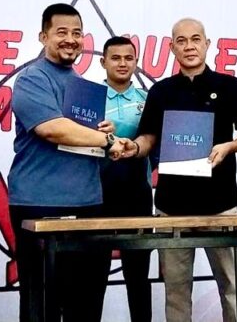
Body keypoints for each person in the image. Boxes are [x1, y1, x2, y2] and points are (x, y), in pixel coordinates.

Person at [123, 17, 237, 322]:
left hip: (221, 205)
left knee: (233, 288)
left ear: (207, 44)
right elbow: (148, 138)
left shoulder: (230, 86)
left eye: (196, 39)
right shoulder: (161, 91)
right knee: (175, 291)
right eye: (181, 41)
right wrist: (134, 148)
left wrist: (229, 146)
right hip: (171, 207)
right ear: (172, 48)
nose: (189, 46)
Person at [7, 3, 130, 322]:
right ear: (43, 36)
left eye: (77, 33)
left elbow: (87, 138)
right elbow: (52, 128)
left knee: (86, 303)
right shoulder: (31, 79)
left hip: (88, 203)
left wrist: (107, 134)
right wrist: (106, 140)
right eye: (61, 32)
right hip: (39, 204)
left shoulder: (83, 86)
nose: (71, 39)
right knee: (41, 302)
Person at [94, 36, 154, 322]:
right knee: (93, 276)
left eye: (128, 58)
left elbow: (157, 141)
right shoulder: (90, 97)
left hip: (138, 194)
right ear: (103, 62)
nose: (122, 63)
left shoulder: (148, 98)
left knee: (138, 275)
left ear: (136, 62)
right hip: (95, 194)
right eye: (115, 58)